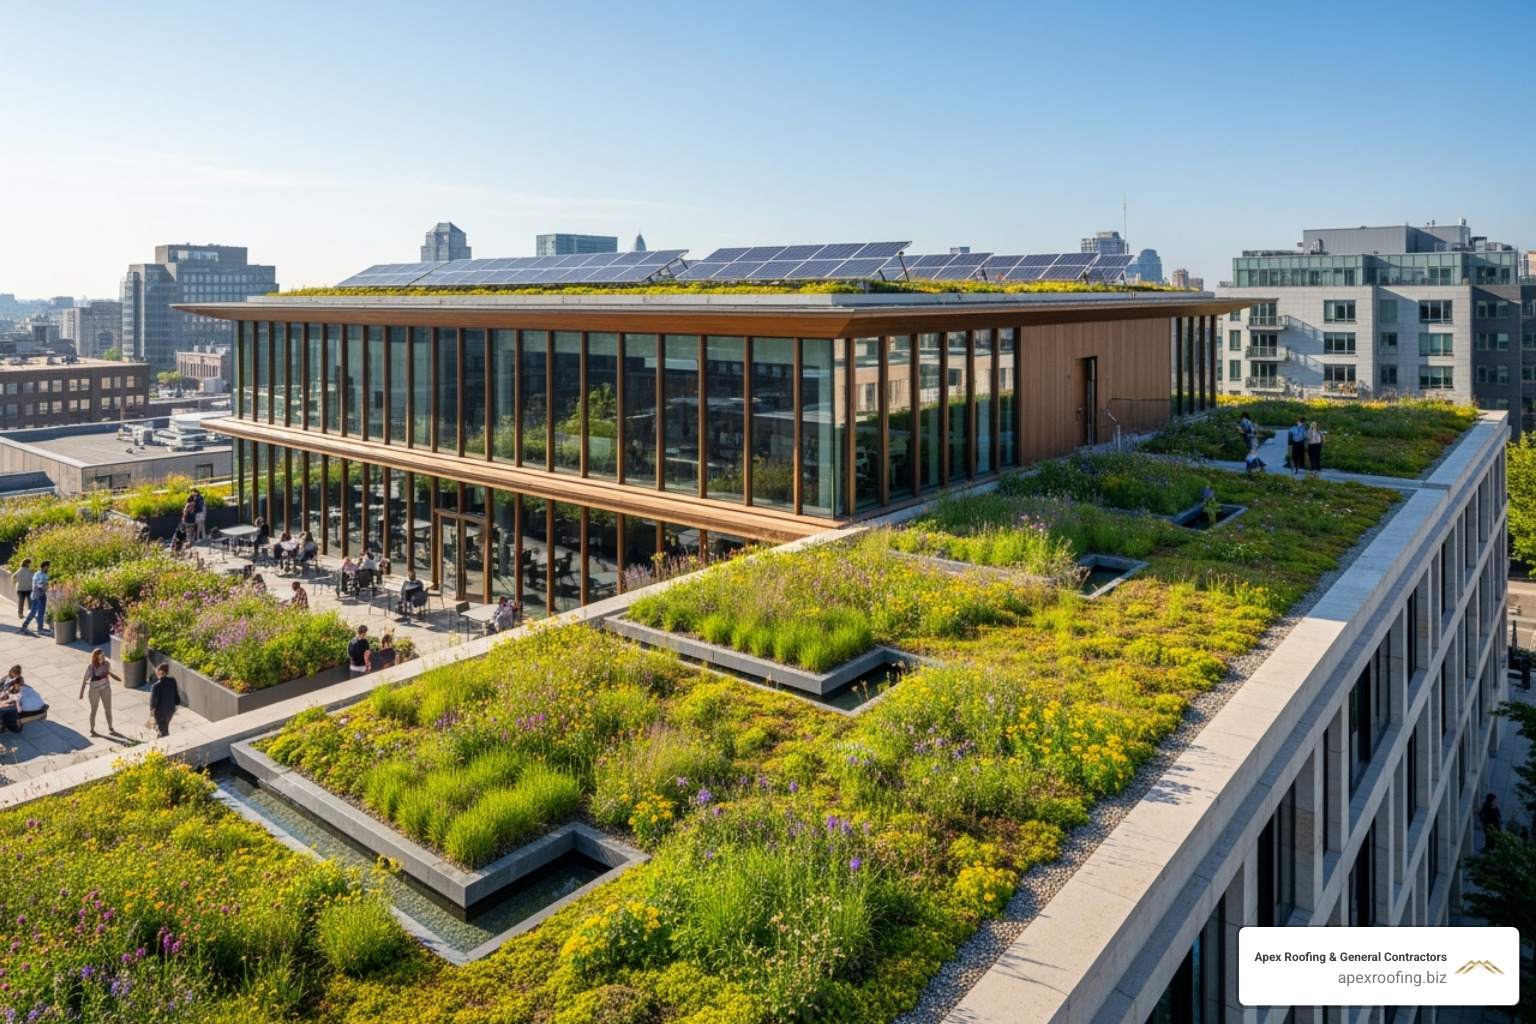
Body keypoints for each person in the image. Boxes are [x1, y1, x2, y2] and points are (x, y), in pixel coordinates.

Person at [78, 648, 119, 737]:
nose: (103, 657)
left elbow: (112, 672)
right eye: (101, 656)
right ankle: (92, 728)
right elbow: (85, 679)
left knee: (108, 709)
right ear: (96, 657)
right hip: (94, 690)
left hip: (106, 689)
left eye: (103, 655)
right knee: (94, 709)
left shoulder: (106, 664)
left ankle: (110, 726)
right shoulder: (91, 667)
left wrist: (109, 671)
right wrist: (81, 692)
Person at [148, 662, 179, 738]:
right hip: (170, 710)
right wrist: (175, 705)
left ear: (159, 673)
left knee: (163, 732)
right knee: (164, 726)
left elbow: (153, 702)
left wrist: (152, 711)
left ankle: (166, 741)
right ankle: (159, 736)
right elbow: (176, 695)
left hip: (161, 713)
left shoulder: (156, 686)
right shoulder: (172, 681)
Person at [20, 560, 50, 634]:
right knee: (40, 613)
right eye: (46, 568)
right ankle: (40, 628)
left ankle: (24, 625)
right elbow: (40, 585)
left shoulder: (36, 573)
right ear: (43, 567)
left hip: (34, 595)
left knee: (33, 612)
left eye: (48, 567)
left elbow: (37, 584)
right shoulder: (44, 576)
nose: (47, 569)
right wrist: (44, 586)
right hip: (40, 596)